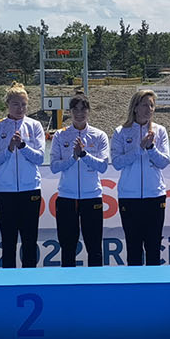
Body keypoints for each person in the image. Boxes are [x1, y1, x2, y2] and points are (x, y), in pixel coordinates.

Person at [0, 83, 46, 268]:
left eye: (24, 104)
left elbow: (40, 158)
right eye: (16, 104)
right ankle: (8, 280)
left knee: (29, 241)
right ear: (7, 104)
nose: (20, 108)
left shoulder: (35, 126)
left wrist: (23, 146)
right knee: (8, 242)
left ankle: (30, 278)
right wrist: (9, 149)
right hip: (5, 192)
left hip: (30, 190)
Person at [47, 90, 110, 267]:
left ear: (89, 111)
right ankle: (68, 282)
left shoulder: (99, 135)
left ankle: (95, 282)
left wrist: (84, 155)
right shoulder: (60, 135)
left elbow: (103, 166)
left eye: (83, 109)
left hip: (92, 197)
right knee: (67, 249)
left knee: (94, 248)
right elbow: (54, 167)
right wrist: (73, 158)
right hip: (67, 197)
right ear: (70, 112)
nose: (79, 113)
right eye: (75, 109)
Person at [111, 89, 170, 265]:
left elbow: (164, 162)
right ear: (135, 107)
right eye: (145, 105)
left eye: (152, 105)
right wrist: (139, 149)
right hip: (129, 198)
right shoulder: (121, 132)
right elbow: (117, 163)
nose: (149, 109)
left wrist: (151, 148)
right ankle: (135, 282)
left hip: (155, 196)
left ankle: (154, 281)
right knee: (133, 248)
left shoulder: (160, 131)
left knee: (153, 247)